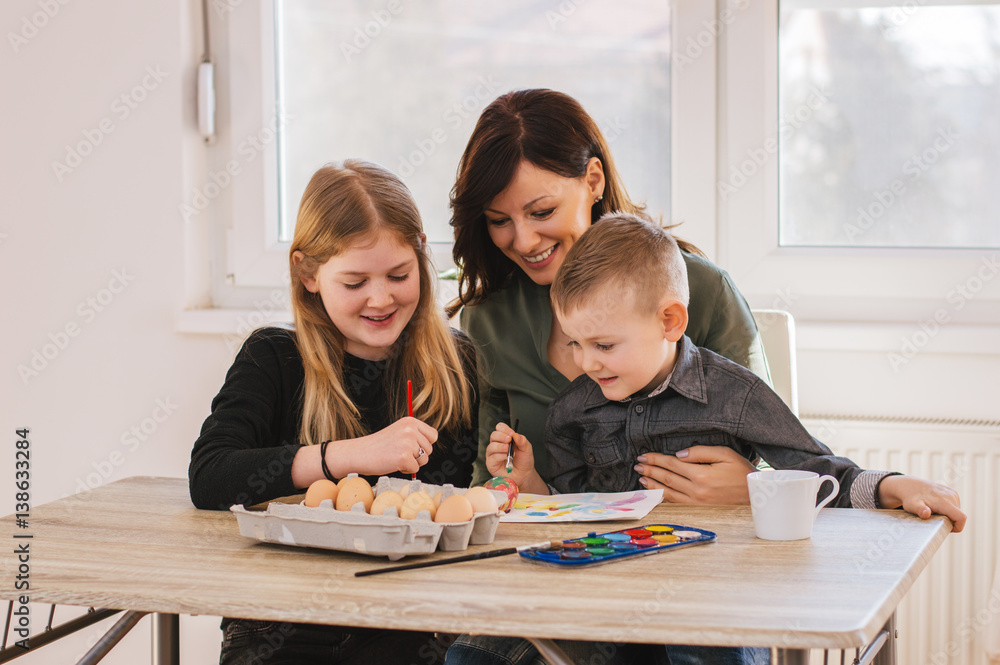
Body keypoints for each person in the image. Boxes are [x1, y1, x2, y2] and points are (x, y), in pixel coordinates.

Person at [449, 214, 966, 665]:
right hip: (605, 596)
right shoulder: (574, 409)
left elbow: (810, 471)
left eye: (603, 344)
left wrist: (893, 485)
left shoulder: (733, 393)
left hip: (715, 591)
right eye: (576, 344)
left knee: (707, 642)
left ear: (670, 321)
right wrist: (531, 479)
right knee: (478, 653)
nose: (585, 363)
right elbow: (574, 503)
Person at [189, 159, 478, 665]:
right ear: (307, 273)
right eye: (355, 282)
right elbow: (210, 476)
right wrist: (352, 455)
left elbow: (466, 512)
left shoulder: (455, 365)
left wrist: (510, 477)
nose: (381, 297)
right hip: (280, 623)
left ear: (421, 256)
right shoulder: (273, 358)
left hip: (411, 625)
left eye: (398, 274)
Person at [447, 88, 765, 502]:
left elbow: (788, 461)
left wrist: (751, 486)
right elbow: (489, 476)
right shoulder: (490, 318)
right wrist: (501, 488)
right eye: (498, 220)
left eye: (542, 212)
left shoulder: (702, 291)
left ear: (593, 181)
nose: (524, 241)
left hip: (696, 553)